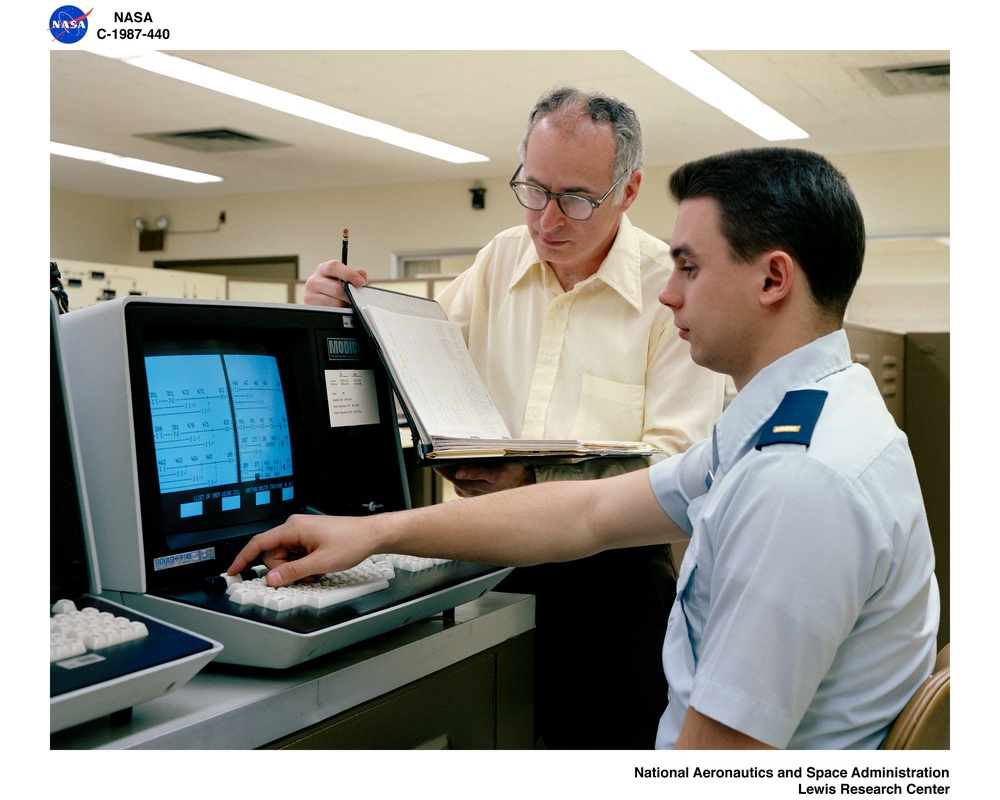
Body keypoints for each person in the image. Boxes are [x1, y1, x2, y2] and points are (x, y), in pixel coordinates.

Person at [231, 147, 940, 749]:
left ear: (773, 279)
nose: (666, 295)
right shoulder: (810, 416)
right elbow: (589, 512)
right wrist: (374, 531)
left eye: (689, 268)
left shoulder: (797, 485)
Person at [303, 87, 725, 749]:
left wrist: (533, 476)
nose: (547, 220)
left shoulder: (668, 290)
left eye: (576, 198)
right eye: (533, 189)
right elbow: (412, 372)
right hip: (479, 565)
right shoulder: (500, 259)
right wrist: (338, 318)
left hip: (609, 590)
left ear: (630, 188)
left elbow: (675, 466)